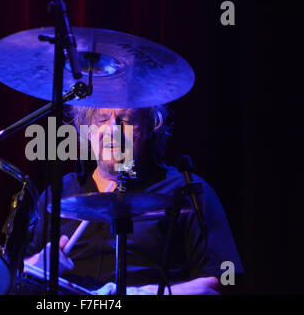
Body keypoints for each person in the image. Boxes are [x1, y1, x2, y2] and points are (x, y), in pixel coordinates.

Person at [24, 104, 244, 295]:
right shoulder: (59, 193)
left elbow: (224, 280)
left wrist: (145, 293)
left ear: (149, 128)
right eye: (102, 119)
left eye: (125, 120)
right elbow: (14, 275)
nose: (112, 129)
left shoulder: (187, 191)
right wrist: (35, 267)